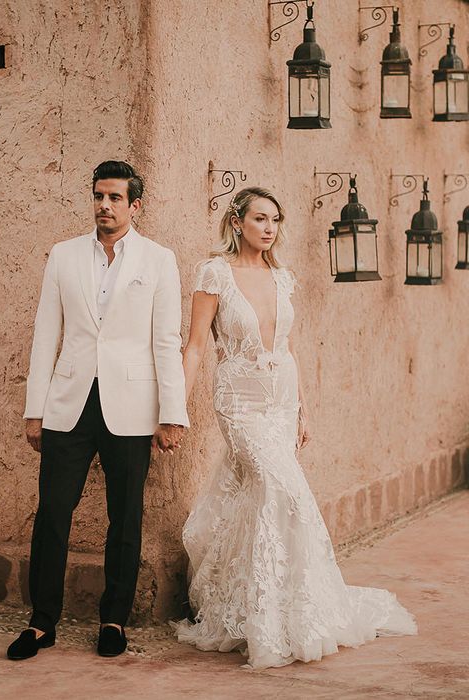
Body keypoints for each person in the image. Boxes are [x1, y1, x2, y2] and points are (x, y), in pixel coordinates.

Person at [175, 186, 416, 670]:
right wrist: (175, 409)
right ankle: (266, 614)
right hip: (239, 400)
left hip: (281, 400)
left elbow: (288, 348)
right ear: (237, 220)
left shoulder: (282, 278)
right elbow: (197, 346)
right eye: (261, 218)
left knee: (259, 497)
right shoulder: (214, 273)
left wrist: (302, 407)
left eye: (276, 220)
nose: (269, 228)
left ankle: (264, 606)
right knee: (281, 490)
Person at [7, 161, 189, 661]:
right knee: (52, 516)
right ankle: (42, 623)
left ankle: (114, 620)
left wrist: (172, 413)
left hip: (130, 408)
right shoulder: (64, 255)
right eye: (97, 196)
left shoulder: (158, 260)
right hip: (69, 405)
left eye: (114, 198)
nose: (104, 206)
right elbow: (47, 334)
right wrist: (35, 408)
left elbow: (166, 340)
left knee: (125, 520)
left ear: (135, 205)